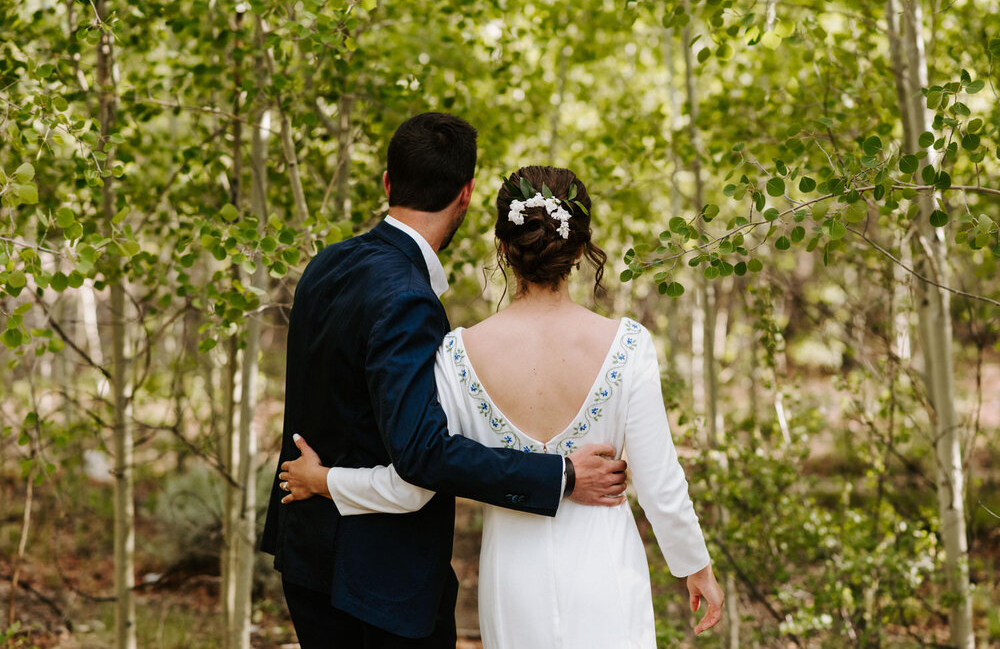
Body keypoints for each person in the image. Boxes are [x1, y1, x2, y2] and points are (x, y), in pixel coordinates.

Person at [280, 165, 726, 648]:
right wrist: (695, 566)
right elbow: (661, 486)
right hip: (605, 569)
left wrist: (327, 481)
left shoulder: (458, 353)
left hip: (512, 577)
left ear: (505, 247)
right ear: (580, 248)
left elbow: (415, 483)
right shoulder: (628, 345)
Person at [260, 113, 629, 649]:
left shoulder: (327, 264)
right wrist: (562, 475)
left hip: (307, 562)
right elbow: (423, 456)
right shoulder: (407, 298)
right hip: (382, 587)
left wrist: (322, 481)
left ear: (388, 183)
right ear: (466, 194)